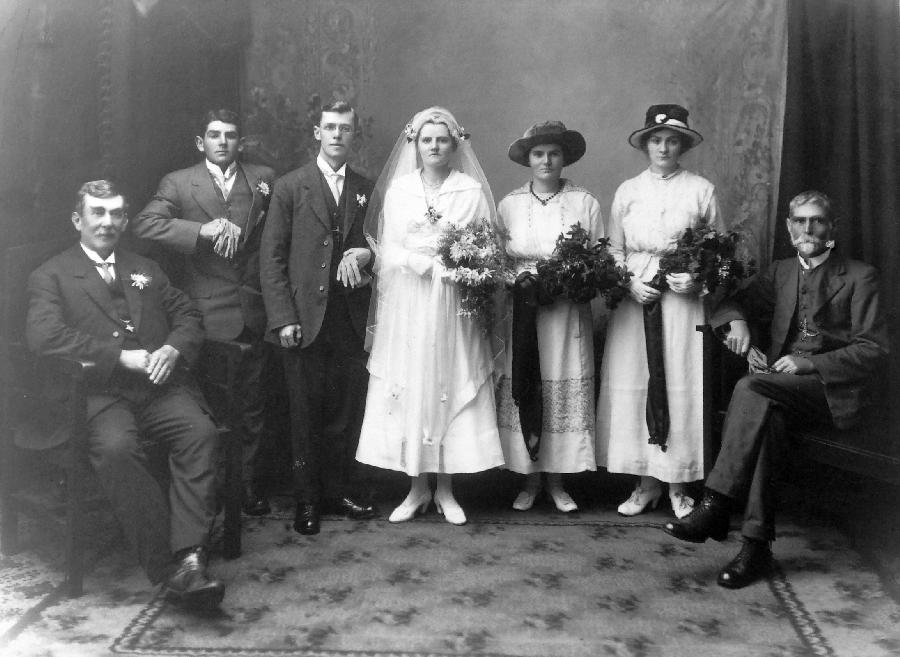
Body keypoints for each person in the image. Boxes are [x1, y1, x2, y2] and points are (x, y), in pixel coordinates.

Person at [664, 190, 888, 588]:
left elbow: (873, 350)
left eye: (817, 220)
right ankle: (755, 548)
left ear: (831, 227)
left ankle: (715, 503)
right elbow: (731, 304)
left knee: (752, 388)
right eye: (800, 221)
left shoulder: (858, 275)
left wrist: (810, 362)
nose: (808, 228)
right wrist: (740, 325)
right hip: (781, 391)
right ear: (789, 227)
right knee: (769, 422)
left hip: (830, 391)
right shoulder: (782, 271)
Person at [26, 180, 225, 609]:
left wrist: (172, 348)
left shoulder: (146, 267)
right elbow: (44, 337)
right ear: (77, 220)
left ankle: (191, 556)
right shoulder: (52, 274)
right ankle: (166, 567)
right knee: (117, 450)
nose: (107, 222)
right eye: (97, 213)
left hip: (157, 389)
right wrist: (119, 358)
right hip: (99, 395)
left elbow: (187, 313)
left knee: (200, 433)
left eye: (116, 213)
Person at [356, 106, 504, 526]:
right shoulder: (401, 190)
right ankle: (416, 488)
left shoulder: (470, 190)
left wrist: (459, 267)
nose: (434, 146)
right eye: (426, 140)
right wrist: (414, 262)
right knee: (414, 380)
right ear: (415, 145)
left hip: (453, 305)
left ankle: (446, 489)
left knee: (448, 379)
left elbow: (486, 250)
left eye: (441, 139)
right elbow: (385, 247)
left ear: (454, 144)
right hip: (410, 302)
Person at [131, 109, 276, 517]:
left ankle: (246, 488)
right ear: (201, 142)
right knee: (208, 408)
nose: (223, 142)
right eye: (214, 135)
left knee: (252, 406)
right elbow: (144, 225)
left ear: (240, 143)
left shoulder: (263, 177)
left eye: (231, 136)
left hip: (252, 309)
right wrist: (200, 231)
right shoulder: (178, 182)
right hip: (204, 315)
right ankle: (207, 493)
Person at [595, 104, 720, 519]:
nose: (663, 147)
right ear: (646, 144)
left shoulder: (700, 189)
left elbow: (719, 251)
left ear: (682, 145)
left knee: (680, 379)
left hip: (682, 302)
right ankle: (644, 483)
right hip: (638, 297)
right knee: (637, 380)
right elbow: (613, 250)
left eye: (671, 141)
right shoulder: (628, 190)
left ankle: (679, 485)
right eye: (656, 139)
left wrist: (698, 279)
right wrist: (629, 282)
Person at [260, 100, 377, 535]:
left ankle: (337, 490)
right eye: (329, 127)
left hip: (347, 317)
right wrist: (283, 317)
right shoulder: (290, 187)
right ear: (317, 132)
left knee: (344, 412)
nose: (336, 135)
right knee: (304, 415)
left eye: (345, 129)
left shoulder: (366, 188)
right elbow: (271, 259)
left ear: (353, 135)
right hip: (302, 320)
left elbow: (376, 246)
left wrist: (366, 262)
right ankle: (306, 500)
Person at [495, 121, 602, 512]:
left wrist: (570, 280)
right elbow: (498, 262)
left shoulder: (584, 202)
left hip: (565, 311)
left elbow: (599, 261)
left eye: (553, 153)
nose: (546, 160)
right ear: (528, 159)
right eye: (538, 154)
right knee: (527, 378)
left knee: (559, 380)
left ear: (564, 158)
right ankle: (528, 479)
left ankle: (557, 482)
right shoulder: (509, 205)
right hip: (523, 311)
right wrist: (518, 280)